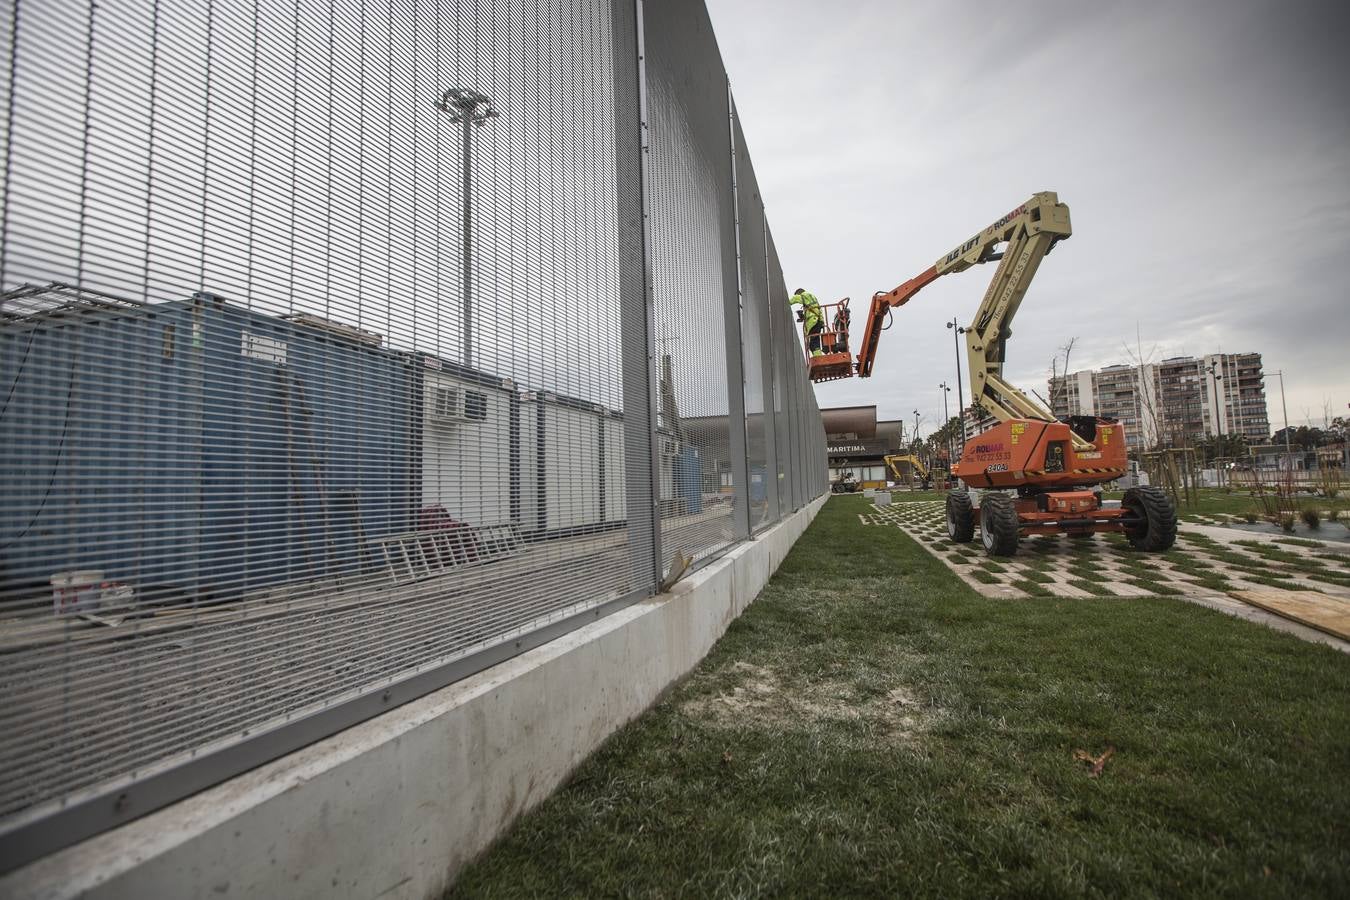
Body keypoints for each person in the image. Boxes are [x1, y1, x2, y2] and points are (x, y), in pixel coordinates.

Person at [789, 288, 823, 357]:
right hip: (818, 321)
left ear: (799, 293)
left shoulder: (803, 295)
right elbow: (819, 310)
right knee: (814, 341)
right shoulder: (812, 297)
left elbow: (793, 299)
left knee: (813, 343)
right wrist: (822, 322)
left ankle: (819, 358)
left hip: (812, 321)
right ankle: (818, 356)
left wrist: (785, 303)